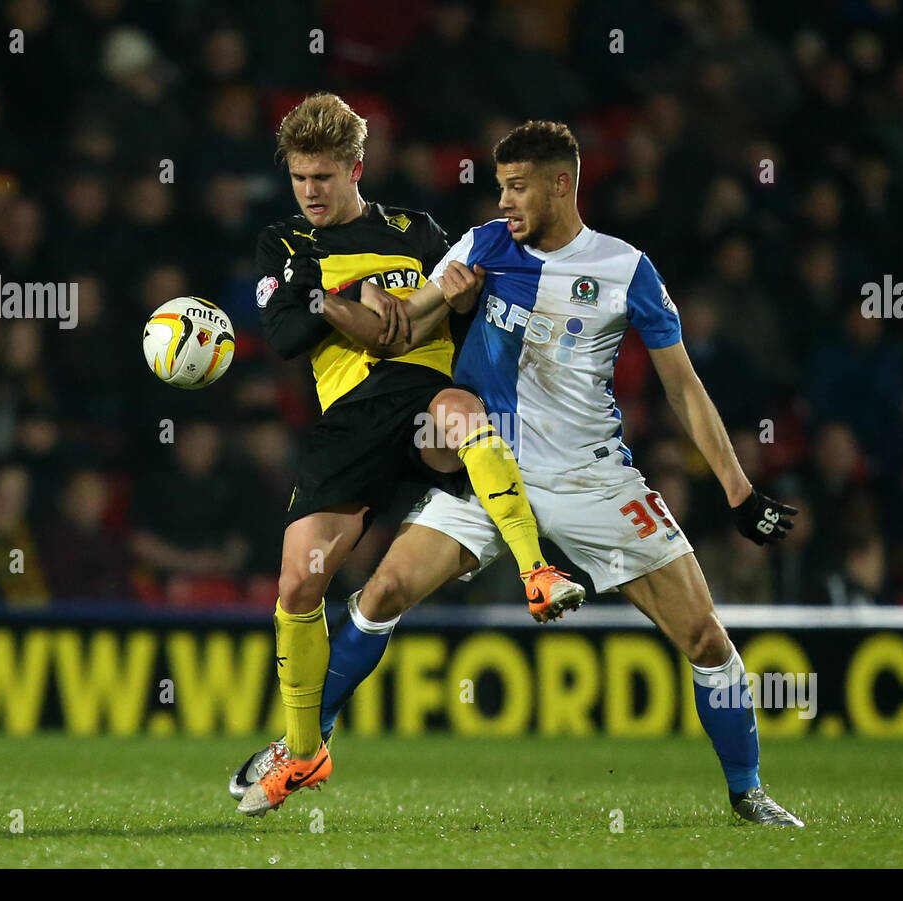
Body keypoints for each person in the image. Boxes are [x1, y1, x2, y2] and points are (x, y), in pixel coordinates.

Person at [235, 120, 804, 826]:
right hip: (487, 464)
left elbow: (683, 388)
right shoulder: (480, 245)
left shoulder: (627, 269)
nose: (502, 201)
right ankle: (300, 743)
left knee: (706, 640)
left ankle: (748, 790)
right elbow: (406, 324)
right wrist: (383, 310)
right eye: (500, 186)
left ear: (561, 185)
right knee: (381, 592)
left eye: (517, 188)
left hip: (589, 477)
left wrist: (739, 491)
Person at [238, 97, 584, 817]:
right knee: (300, 588)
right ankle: (305, 750)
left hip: (423, 398)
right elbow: (283, 335)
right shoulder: (284, 242)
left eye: (323, 177)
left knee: (463, 415)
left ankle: (536, 569)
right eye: (300, 177)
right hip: (353, 423)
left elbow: (470, 302)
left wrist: (456, 297)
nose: (310, 191)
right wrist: (341, 301)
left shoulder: (417, 231)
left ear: (355, 169)